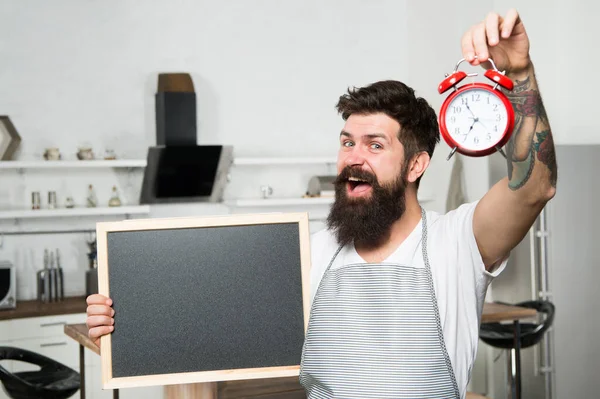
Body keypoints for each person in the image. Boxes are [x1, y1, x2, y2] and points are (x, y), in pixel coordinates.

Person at [86, 8, 556, 399]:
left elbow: (534, 186)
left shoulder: (459, 243)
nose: (353, 158)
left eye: (375, 145)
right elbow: (203, 329)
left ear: (416, 165)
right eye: (347, 142)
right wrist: (125, 323)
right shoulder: (307, 255)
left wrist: (517, 72)